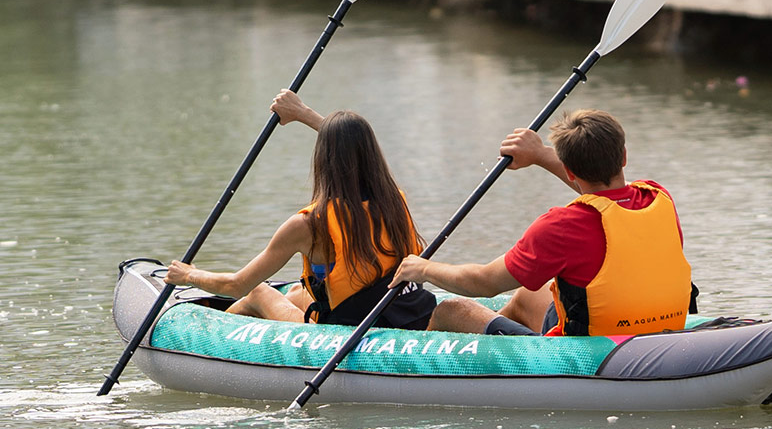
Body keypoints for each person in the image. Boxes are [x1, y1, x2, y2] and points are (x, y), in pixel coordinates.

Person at [391, 108, 695, 337]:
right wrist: (538, 155)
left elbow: (484, 283)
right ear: (624, 156)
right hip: (660, 326)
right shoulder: (657, 197)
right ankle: (507, 342)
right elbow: (605, 195)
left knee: (451, 310)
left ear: (569, 171)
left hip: (591, 347)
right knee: (530, 292)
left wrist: (424, 269)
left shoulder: (561, 226)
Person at [164, 90, 436, 329]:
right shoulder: (392, 200)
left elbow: (237, 285)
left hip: (351, 329)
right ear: (372, 154)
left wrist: (188, 275)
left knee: (258, 293)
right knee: (296, 293)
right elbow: (352, 149)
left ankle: (208, 338)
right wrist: (302, 113)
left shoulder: (308, 225)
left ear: (322, 160)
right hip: (405, 311)